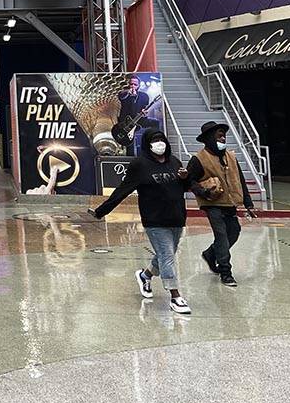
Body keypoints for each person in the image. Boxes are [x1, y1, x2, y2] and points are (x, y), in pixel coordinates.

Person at [89, 129, 192, 314]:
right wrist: (101, 211)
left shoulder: (174, 161)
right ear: (147, 143)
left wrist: (186, 179)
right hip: (155, 220)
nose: (159, 143)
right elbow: (123, 190)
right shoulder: (140, 165)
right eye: (155, 140)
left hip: (176, 217)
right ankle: (175, 296)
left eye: (161, 139)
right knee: (168, 256)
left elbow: (183, 187)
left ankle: (145, 276)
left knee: (164, 255)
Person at [187, 121, 258, 287]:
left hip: (230, 202)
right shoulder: (198, 159)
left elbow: (240, 180)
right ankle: (225, 271)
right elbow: (190, 180)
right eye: (219, 135)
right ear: (209, 138)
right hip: (212, 203)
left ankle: (211, 254)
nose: (223, 138)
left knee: (234, 232)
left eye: (223, 135)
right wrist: (202, 191)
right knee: (221, 235)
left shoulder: (231, 157)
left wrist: (248, 202)